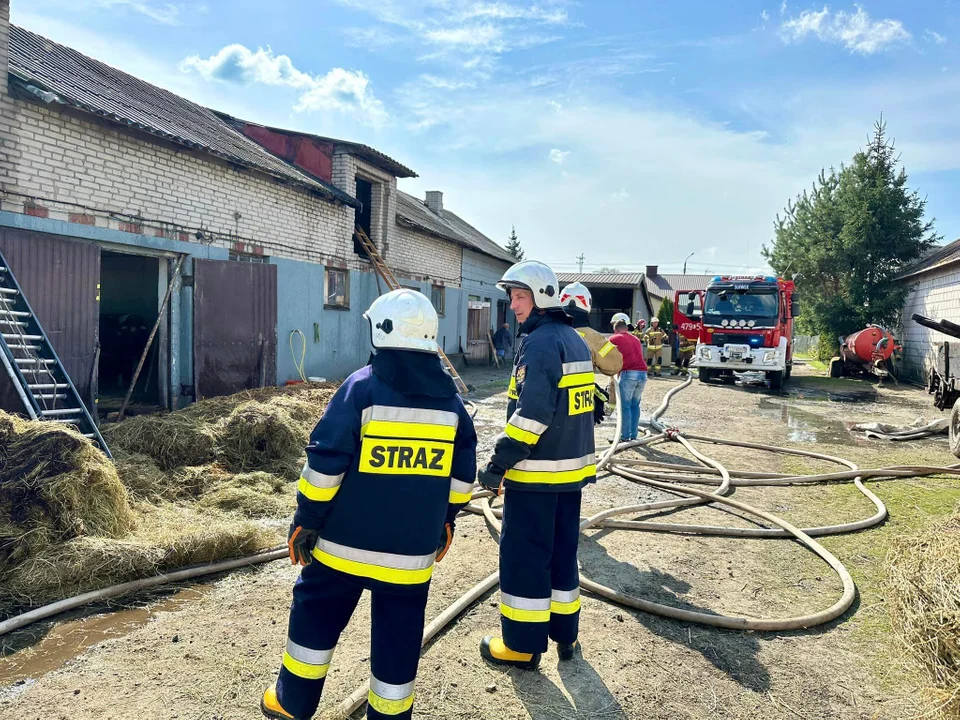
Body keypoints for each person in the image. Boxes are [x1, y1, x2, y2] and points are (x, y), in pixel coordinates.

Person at [261, 288, 477, 720]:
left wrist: (306, 519)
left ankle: (292, 703)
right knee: (399, 636)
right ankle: (390, 714)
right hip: (410, 558)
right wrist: (445, 520)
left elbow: (325, 465)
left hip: (341, 548)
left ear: (381, 331)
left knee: (315, 615)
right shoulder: (453, 406)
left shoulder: (361, 389)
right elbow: (461, 480)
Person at [476, 260, 596, 669]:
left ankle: (522, 645)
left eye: (520, 296)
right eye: (511, 296)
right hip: (569, 475)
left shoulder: (541, 342)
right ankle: (566, 635)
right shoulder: (572, 338)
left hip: (537, 476)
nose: (513, 305)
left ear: (542, 297)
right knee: (562, 555)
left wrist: (498, 464)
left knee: (525, 559)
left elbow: (532, 416)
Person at [560, 282, 623, 426]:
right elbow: (615, 364)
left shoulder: (546, 330)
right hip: (578, 409)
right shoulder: (592, 338)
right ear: (587, 304)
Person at [608, 319, 648, 442]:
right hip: (643, 374)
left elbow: (603, 354)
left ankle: (624, 437)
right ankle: (633, 435)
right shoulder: (635, 339)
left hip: (629, 374)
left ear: (615, 330)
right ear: (626, 328)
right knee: (635, 405)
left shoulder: (615, 338)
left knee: (624, 406)